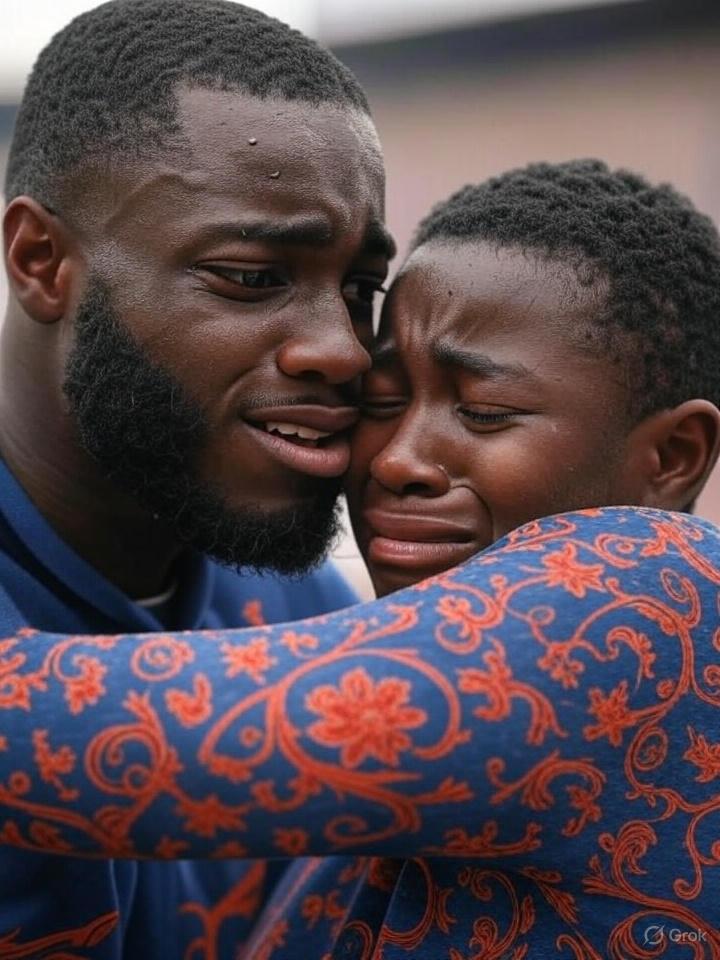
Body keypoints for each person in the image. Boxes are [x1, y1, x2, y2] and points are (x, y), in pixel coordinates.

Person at [3, 155, 720, 958]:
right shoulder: (374, 681)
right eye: (381, 402)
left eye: (485, 412)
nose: (397, 459)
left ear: (674, 457)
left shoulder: (657, 596)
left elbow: (61, 739)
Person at [0, 0, 393, 956]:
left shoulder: (304, 613)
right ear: (41, 261)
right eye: (253, 277)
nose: (343, 350)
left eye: (359, 290)